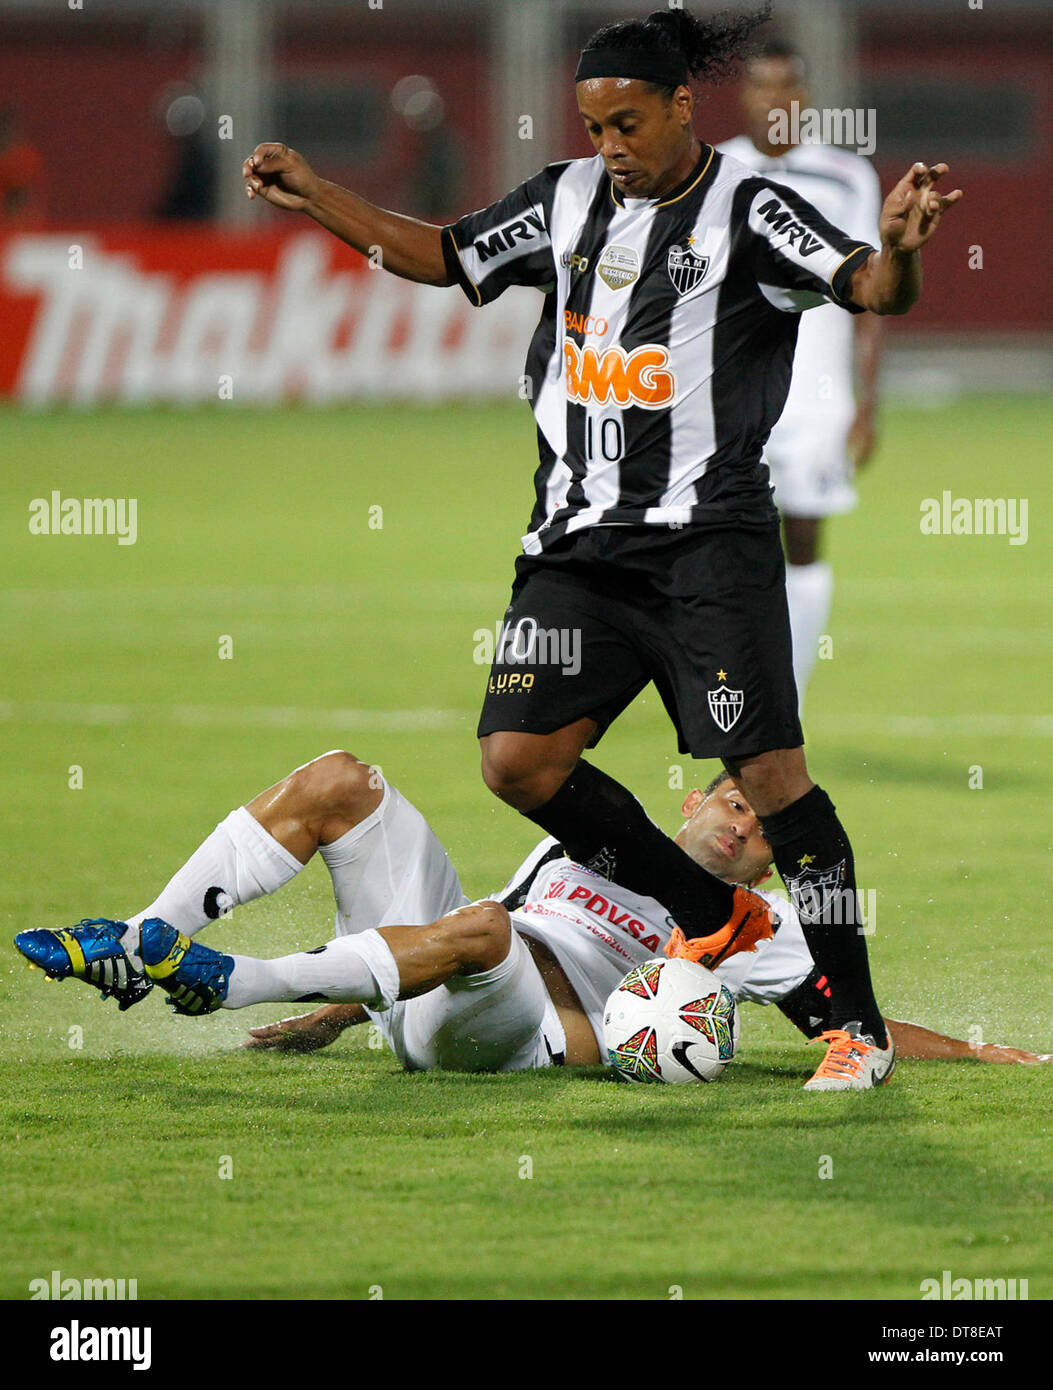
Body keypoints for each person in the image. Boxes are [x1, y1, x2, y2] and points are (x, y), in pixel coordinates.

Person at [237, 6, 963, 1088]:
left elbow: (867, 284)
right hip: (577, 549)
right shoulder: (564, 198)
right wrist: (317, 197)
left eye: (628, 122)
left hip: (708, 547)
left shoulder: (754, 209)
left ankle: (852, 1028)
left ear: (681, 105)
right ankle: (708, 910)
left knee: (771, 781)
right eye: (594, 125)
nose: (610, 145)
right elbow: (442, 255)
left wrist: (901, 253)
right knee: (518, 760)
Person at [16, 753, 1047, 1084]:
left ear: (776, 857)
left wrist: (976, 1050)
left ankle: (225, 975)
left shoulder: (756, 922)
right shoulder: (592, 836)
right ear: (692, 799)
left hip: (524, 1032)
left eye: (764, 827)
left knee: (487, 931)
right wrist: (338, 1011)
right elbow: (497, 912)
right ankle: (138, 943)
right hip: (434, 983)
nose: (743, 829)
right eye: (734, 802)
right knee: (342, 781)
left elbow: (847, 1027)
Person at [716, 40, 885, 704]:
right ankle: (729, 688)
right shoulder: (716, 170)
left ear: (805, 96)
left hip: (816, 395)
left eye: (787, 86)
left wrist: (867, 403)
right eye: (761, 86)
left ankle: (787, 697)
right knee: (722, 543)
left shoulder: (845, 177)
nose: (775, 99)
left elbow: (872, 293)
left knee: (805, 540)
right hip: (730, 393)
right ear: (745, 95)